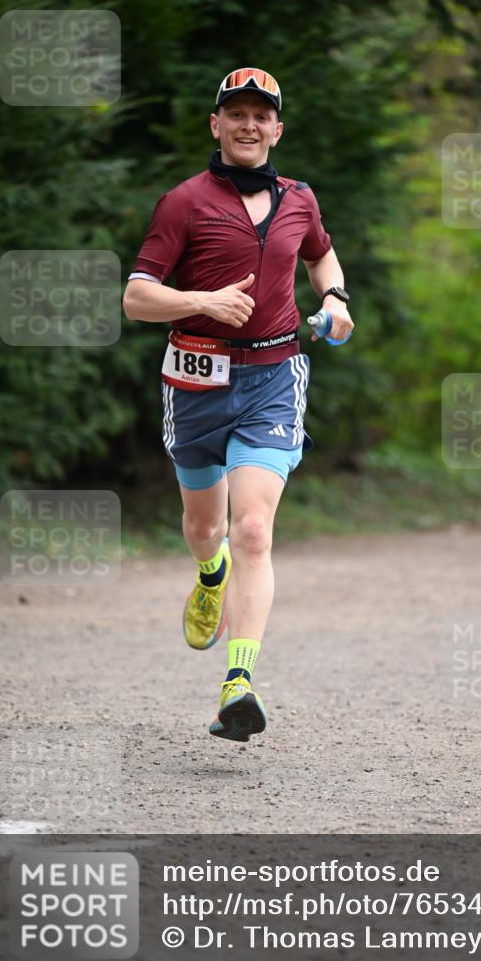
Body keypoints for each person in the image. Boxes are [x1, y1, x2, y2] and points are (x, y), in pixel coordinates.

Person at [123, 67, 353, 743]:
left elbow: (323, 259)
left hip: (274, 376)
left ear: (276, 129)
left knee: (253, 527)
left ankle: (238, 683)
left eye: (262, 115)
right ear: (215, 125)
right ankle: (208, 573)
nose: (249, 125)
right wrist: (203, 301)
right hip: (195, 383)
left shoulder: (299, 199)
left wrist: (335, 301)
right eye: (237, 114)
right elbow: (137, 297)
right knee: (207, 529)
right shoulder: (183, 202)